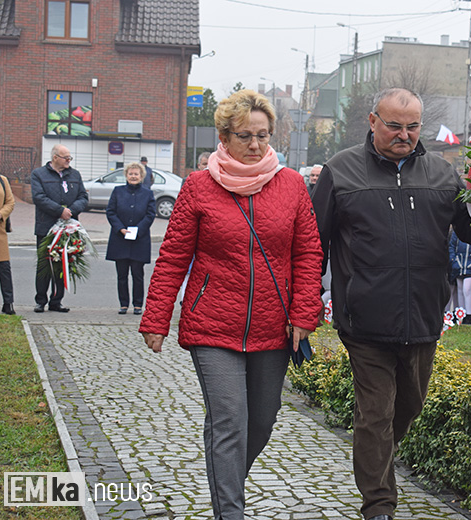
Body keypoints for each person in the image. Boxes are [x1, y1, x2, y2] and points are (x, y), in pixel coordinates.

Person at [311, 87, 471, 520]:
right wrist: (309, 298)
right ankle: (379, 505)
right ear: (373, 121)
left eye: (412, 127)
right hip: (364, 317)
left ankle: (378, 455)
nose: (404, 135)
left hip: (423, 314)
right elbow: (316, 242)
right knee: (375, 413)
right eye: (394, 126)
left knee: (409, 406)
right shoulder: (341, 170)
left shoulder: (442, 173)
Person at [139, 89, 323, 520]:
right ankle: (231, 513)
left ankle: (226, 488)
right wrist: (156, 317)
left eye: (263, 135)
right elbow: (173, 256)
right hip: (211, 325)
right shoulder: (200, 187)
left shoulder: (292, 185)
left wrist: (303, 313)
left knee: (260, 423)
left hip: (273, 326)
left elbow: (308, 253)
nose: (256, 145)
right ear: (224, 136)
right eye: (246, 136)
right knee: (229, 420)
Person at [31, 144, 88, 313]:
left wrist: (71, 211)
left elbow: (83, 197)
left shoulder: (74, 175)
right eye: (66, 157)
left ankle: (56, 301)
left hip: (68, 228)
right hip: (46, 227)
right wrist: (59, 211)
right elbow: (39, 197)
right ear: (55, 157)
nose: (69, 160)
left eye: (70, 157)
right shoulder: (38, 174)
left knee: (62, 264)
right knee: (44, 265)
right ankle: (40, 300)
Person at [105, 162, 156, 315]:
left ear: (141, 177)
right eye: (131, 174)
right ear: (126, 175)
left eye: (136, 174)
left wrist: (138, 230)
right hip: (120, 238)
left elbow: (150, 214)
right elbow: (111, 212)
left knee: (137, 274)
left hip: (139, 240)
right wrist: (120, 228)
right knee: (121, 275)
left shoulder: (148, 194)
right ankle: (123, 304)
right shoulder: (117, 191)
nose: (133, 176)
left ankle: (138, 304)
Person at [0, 167, 15, 314]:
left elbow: (10, 202)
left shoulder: (2, 180)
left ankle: (8, 303)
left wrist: (1, 214)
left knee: (4, 269)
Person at [449, 229, 471, 323]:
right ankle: (461, 314)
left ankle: (469, 315)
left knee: (467, 289)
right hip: (459, 265)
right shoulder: (457, 232)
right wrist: (454, 261)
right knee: (460, 290)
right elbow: (452, 247)